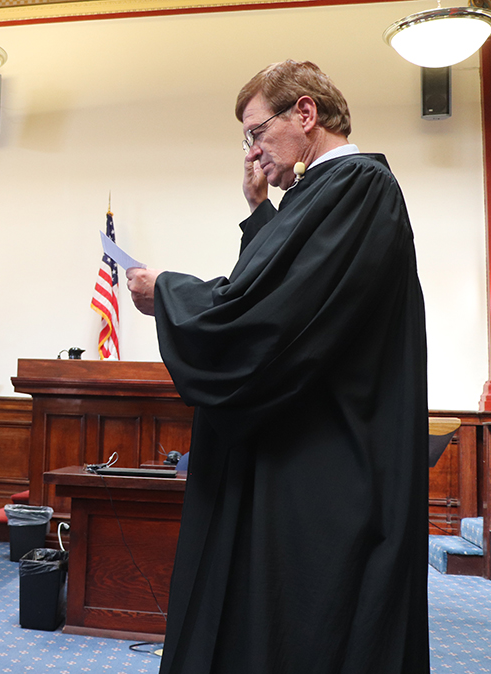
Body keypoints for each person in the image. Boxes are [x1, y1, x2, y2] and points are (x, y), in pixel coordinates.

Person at [126, 60, 429, 674]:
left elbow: (270, 319)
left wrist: (170, 293)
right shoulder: (322, 194)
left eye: (257, 131)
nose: (253, 150)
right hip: (304, 447)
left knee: (309, 629)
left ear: (305, 114)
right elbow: (280, 291)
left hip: (329, 461)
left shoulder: (359, 186)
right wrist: (260, 210)